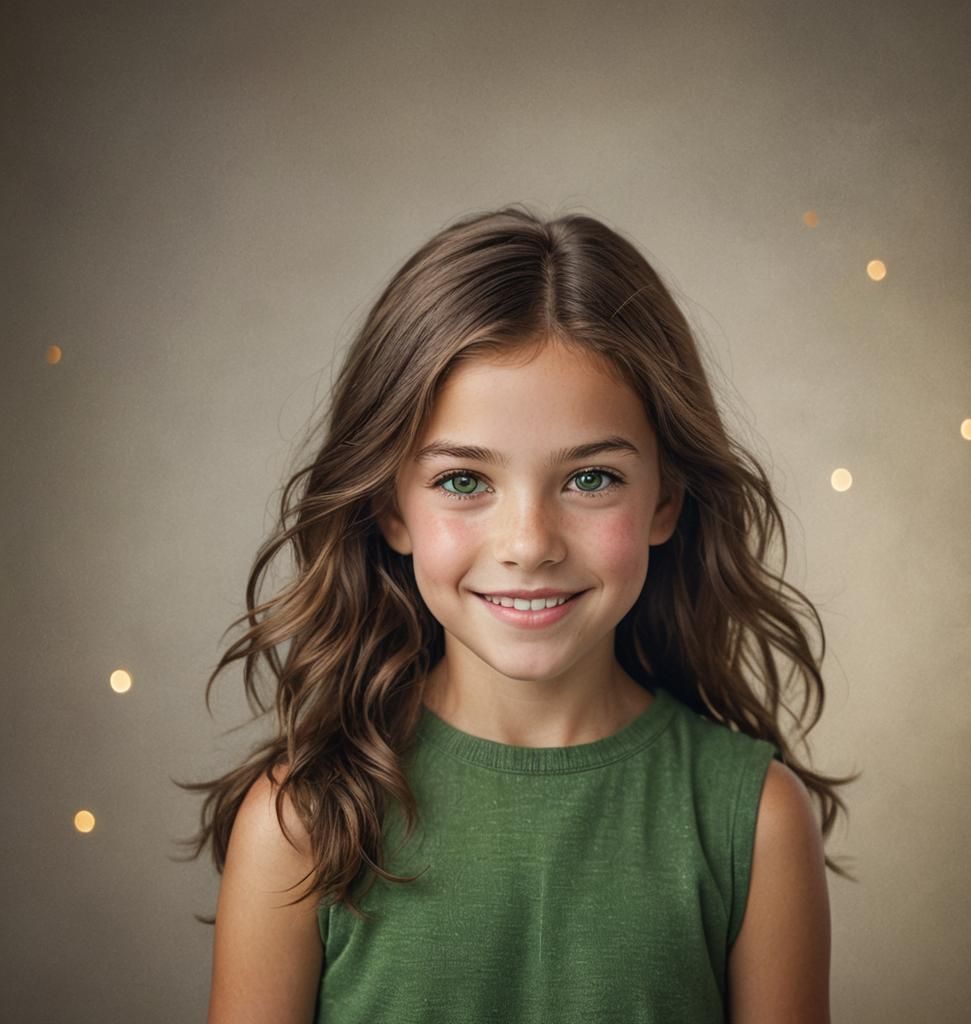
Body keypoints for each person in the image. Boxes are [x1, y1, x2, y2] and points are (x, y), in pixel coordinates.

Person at [177, 205, 859, 1023]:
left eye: (591, 478)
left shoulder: (756, 823)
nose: (529, 544)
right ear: (390, 510)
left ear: (665, 501)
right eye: (464, 481)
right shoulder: (301, 825)